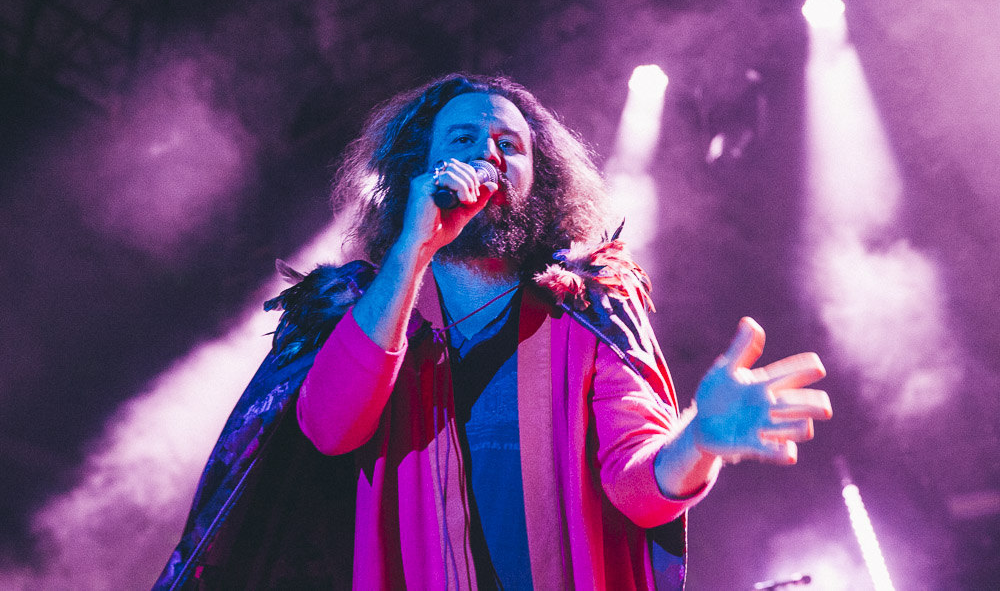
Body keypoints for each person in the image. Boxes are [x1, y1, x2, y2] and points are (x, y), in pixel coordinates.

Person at [153, 73, 832, 591]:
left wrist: (700, 439)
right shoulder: (362, 311)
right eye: (464, 140)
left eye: (513, 144)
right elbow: (331, 426)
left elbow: (635, 481)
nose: (490, 154)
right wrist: (414, 249)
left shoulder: (588, 309)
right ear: (415, 172)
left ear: (539, 180)